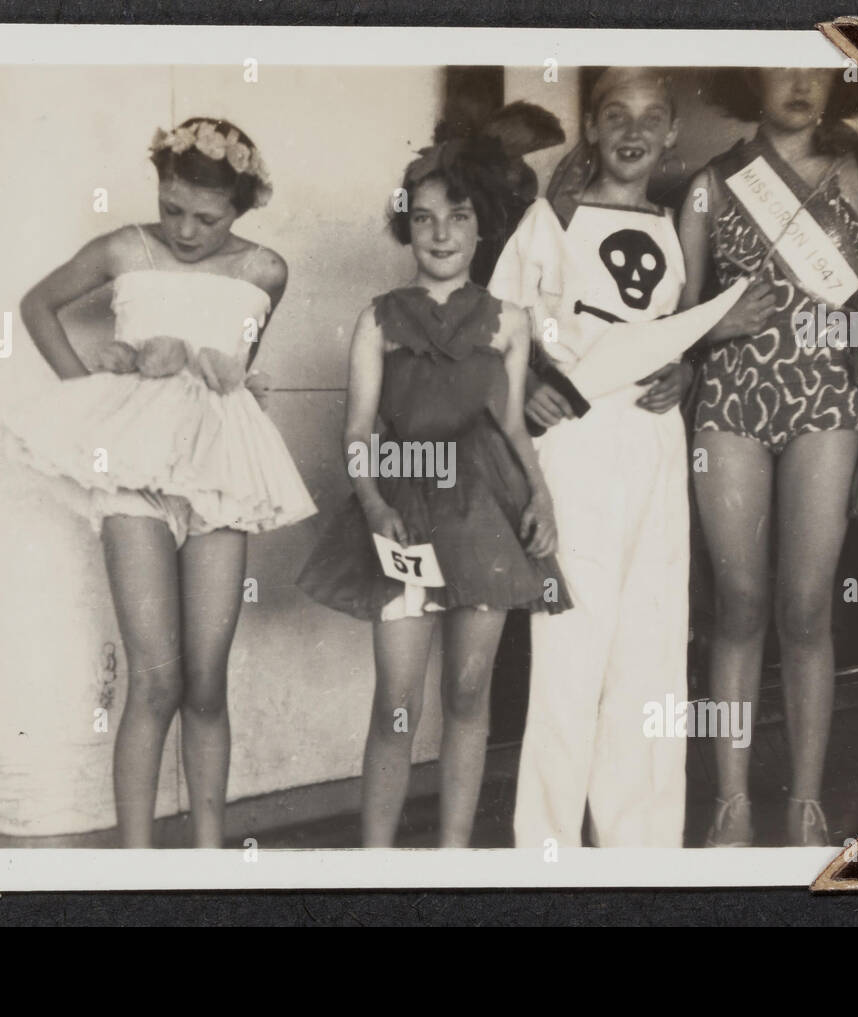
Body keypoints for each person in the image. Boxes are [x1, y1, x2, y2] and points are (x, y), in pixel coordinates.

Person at [4, 117, 316, 847]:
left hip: (219, 477)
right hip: (133, 476)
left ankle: (209, 858)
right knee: (156, 678)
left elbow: (232, 370)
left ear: (241, 208)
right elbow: (36, 305)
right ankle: (137, 866)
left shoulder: (265, 269)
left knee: (206, 680)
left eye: (206, 218)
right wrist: (88, 397)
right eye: (172, 208)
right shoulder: (123, 248)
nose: (183, 229)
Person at [489, 67, 767, 848]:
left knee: (650, 644)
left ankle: (640, 846)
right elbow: (501, 326)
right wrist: (529, 389)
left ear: (672, 133)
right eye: (616, 115)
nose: (634, 131)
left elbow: (670, 333)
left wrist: (684, 371)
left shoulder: (676, 227)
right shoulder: (552, 219)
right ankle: (547, 847)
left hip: (652, 443)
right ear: (594, 130)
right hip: (577, 443)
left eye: (651, 118)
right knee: (573, 647)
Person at [681, 68, 858, 846]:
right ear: (746, 81)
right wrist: (715, 329)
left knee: (806, 608)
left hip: (825, 406)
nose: (799, 84)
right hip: (729, 406)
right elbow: (672, 326)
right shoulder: (710, 183)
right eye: (781, 69)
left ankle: (806, 802)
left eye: (816, 71)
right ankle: (730, 803)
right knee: (740, 603)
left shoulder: (857, 178)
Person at [297, 139, 569, 847]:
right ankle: (378, 860)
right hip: (406, 511)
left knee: (469, 693)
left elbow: (512, 423)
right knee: (396, 699)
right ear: (406, 227)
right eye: (423, 219)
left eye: (458, 216)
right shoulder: (379, 317)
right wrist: (374, 504)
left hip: (484, 511)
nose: (441, 233)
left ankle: (452, 859)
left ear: (484, 227)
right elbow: (358, 428)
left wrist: (540, 496)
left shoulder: (510, 321)